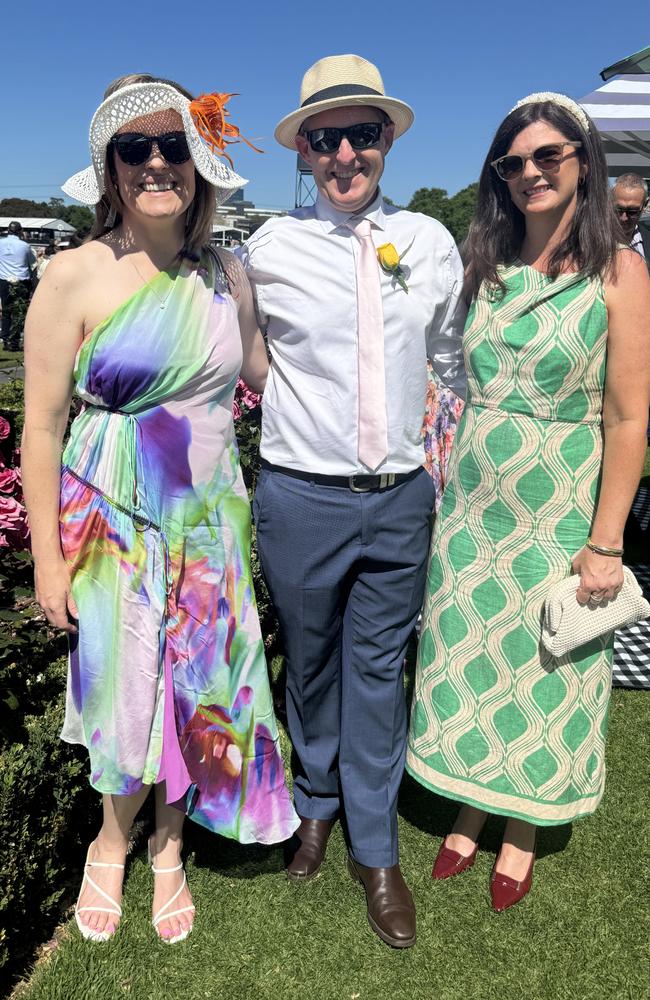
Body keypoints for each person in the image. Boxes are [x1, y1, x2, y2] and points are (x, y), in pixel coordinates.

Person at [21, 73, 298, 946]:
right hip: (106, 523)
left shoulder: (229, 276)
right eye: (133, 149)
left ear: (201, 162)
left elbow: (268, 375)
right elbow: (39, 424)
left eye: (172, 146)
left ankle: (170, 845)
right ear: (109, 168)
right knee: (122, 688)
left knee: (200, 683)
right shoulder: (73, 274)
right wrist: (45, 559)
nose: (154, 164)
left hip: (209, 522)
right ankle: (111, 842)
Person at [238, 54, 466, 948]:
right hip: (300, 497)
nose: (344, 154)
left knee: (379, 670)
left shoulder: (429, 242)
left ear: (384, 143)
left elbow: (450, 361)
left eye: (361, 135)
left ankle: (374, 845)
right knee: (314, 659)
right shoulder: (269, 249)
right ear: (304, 151)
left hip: (400, 498)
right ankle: (315, 804)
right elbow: (254, 364)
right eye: (326, 138)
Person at [407, 93, 650, 911]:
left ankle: (523, 824)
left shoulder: (621, 271)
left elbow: (628, 415)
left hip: (562, 501)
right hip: (475, 504)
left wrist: (607, 540)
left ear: (584, 162)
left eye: (549, 156)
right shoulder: (487, 261)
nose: (530, 174)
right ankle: (470, 802)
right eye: (513, 163)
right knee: (470, 657)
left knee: (548, 661)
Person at [0, 221, 35, 350]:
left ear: (8, 230)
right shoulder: (25, 246)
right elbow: (32, 262)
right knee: (19, 312)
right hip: (21, 280)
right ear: (20, 231)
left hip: (4, 280)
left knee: (6, 312)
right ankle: (14, 342)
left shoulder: (0, 243)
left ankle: (5, 341)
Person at [612, 173, 648, 258]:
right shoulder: (590, 239)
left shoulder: (647, 238)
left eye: (632, 211)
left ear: (645, 205)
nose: (623, 218)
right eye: (618, 209)